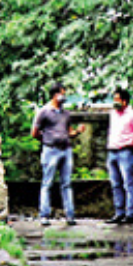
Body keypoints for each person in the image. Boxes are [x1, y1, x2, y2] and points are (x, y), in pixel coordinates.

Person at [32, 83, 86, 226]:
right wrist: (47, 140)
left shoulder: (66, 114)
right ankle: (44, 215)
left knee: (66, 183)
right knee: (47, 183)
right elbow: (34, 132)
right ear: (55, 95)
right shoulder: (44, 112)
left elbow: (69, 131)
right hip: (51, 150)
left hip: (66, 150)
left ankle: (70, 215)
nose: (64, 96)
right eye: (62, 93)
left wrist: (77, 131)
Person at [106, 88, 133, 224]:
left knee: (128, 183)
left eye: (117, 99)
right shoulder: (112, 114)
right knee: (115, 183)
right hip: (112, 150)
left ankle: (130, 213)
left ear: (125, 101)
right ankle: (119, 212)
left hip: (125, 151)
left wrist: (129, 143)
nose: (115, 102)